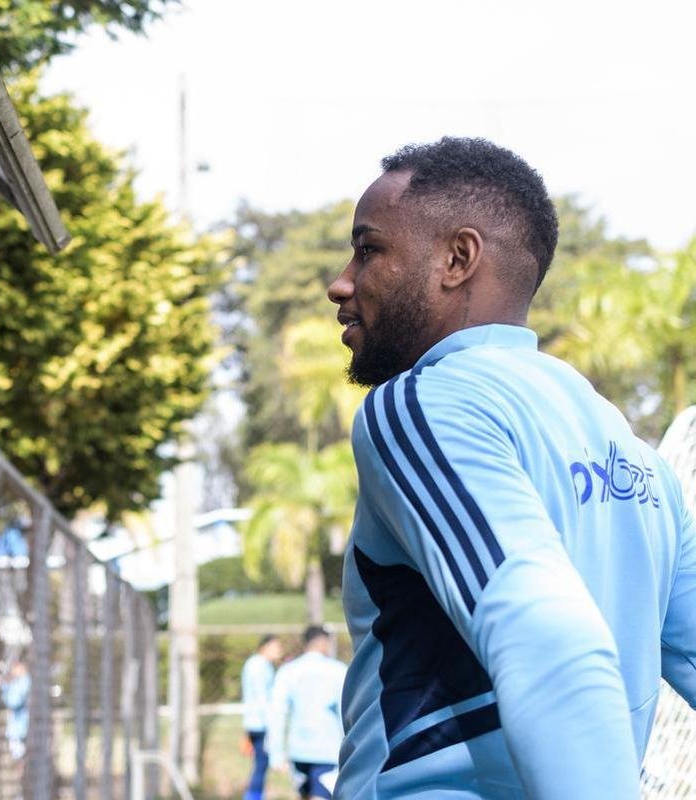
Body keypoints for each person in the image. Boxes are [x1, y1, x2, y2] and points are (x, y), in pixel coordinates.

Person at [327, 137, 696, 798]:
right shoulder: (632, 453)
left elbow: (545, 637)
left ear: (457, 258)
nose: (341, 282)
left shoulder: (422, 403)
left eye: (368, 249)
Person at [265, 626, 347, 799]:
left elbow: (277, 713)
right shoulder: (338, 671)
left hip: (298, 751)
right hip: (328, 751)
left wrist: (276, 753)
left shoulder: (288, 671)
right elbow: (345, 713)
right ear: (323, 643)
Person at [240, 634, 284, 800]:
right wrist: (272, 722)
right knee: (261, 764)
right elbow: (262, 698)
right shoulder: (258, 665)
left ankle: (254, 796)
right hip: (260, 723)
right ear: (265, 647)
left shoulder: (260, 664)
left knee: (261, 764)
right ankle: (253, 797)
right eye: (276, 647)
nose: (279, 651)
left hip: (257, 721)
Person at [1, 659, 31, 762]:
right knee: (19, 757)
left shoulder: (25, 682)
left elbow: (13, 701)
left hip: (22, 727)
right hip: (17, 727)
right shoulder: (17, 682)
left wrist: (6, 686)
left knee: (22, 758)